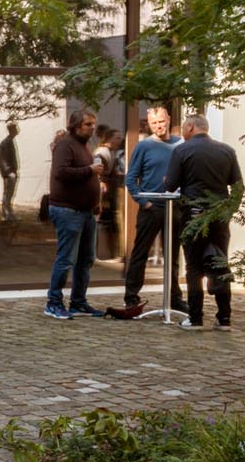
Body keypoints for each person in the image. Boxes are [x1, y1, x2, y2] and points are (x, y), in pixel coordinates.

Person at [163, 113, 244, 330]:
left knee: (194, 267)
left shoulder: (181, 150)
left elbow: (170, 185)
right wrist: (229, 211)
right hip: (219, 216)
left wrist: (167, 180)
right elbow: (238, 187)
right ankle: (224, 317)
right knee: (220, 263)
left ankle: (196, 317)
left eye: (183, 128)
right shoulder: (227, 151)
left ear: (190, 127)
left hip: (193, 215)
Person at [118, 106, 184, 314]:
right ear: (149, 124)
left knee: (172, 256)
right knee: (140, 253)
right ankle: (131, 298)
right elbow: (130, 178)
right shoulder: (143, 146)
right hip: (151, 207)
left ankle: (174, 298)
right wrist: (143, 201)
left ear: (168, 120)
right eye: (154, 123)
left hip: (174, 207)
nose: (159, 126)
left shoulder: (180, 145)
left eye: (161, 121)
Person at [45, 109, 103, 319]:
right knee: (67, 258)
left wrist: (96, 201)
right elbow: (61, 172)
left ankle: (78, 302)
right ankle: (53, 302)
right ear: (76, 125)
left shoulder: (85, 146)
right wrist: (90, 170)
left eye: (94, 124)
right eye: (88, 124)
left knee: (86, 259)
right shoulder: (65, 145)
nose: (92, 128)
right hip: (67, 210)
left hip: (86, 211)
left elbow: (88, 175)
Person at [92, 124, 126, 260]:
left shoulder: (111, 152)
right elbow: (98, 170)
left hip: (108, 192)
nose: (120, 140)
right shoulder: (102, 152)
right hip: (102, 192)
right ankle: (98, 252)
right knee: (99, 219)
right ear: (110, 139)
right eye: (117, 138)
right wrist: (101, 181)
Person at [0, 121, 20, 220]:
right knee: (7, 193)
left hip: (11, 172)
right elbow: (3, 159)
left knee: (9, 194)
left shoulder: (9, 141)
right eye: (15, 128)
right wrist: (8, 172)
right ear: (12, 130)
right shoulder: (6, 143)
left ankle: (8, 213)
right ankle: (6, 214)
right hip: (9, 173)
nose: (17, 130)